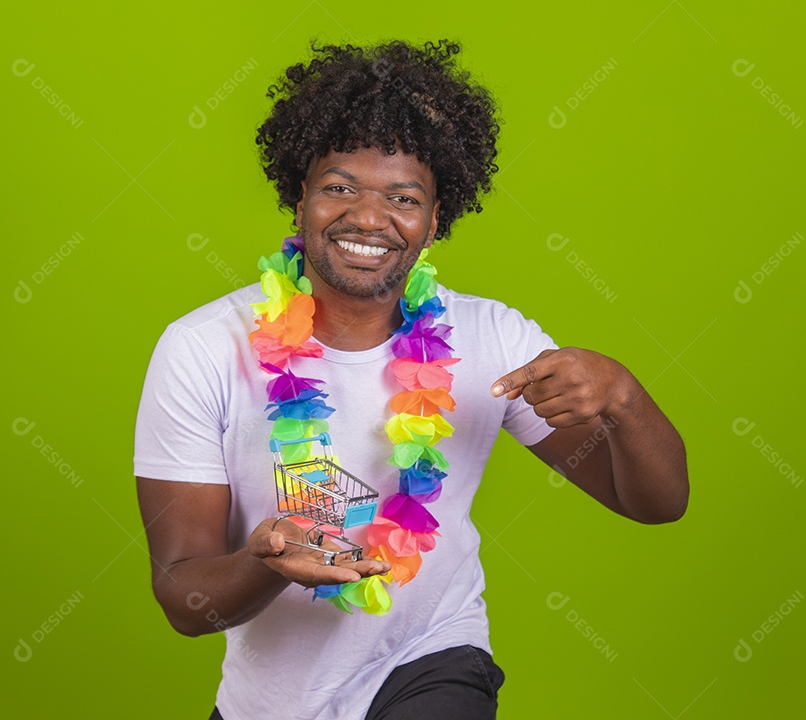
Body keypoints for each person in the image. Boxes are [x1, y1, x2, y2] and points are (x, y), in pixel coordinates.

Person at [133, 39, 688, 720]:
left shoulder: (493, 339)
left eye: (402, 197)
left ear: (433, 222)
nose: (368, 217)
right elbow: (184, 598)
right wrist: (265, 561)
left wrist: (625, 399)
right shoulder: (202, 348)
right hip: (266, 702)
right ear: (299, 197)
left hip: (433, 662)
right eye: (340, 187)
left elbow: (655, 502)